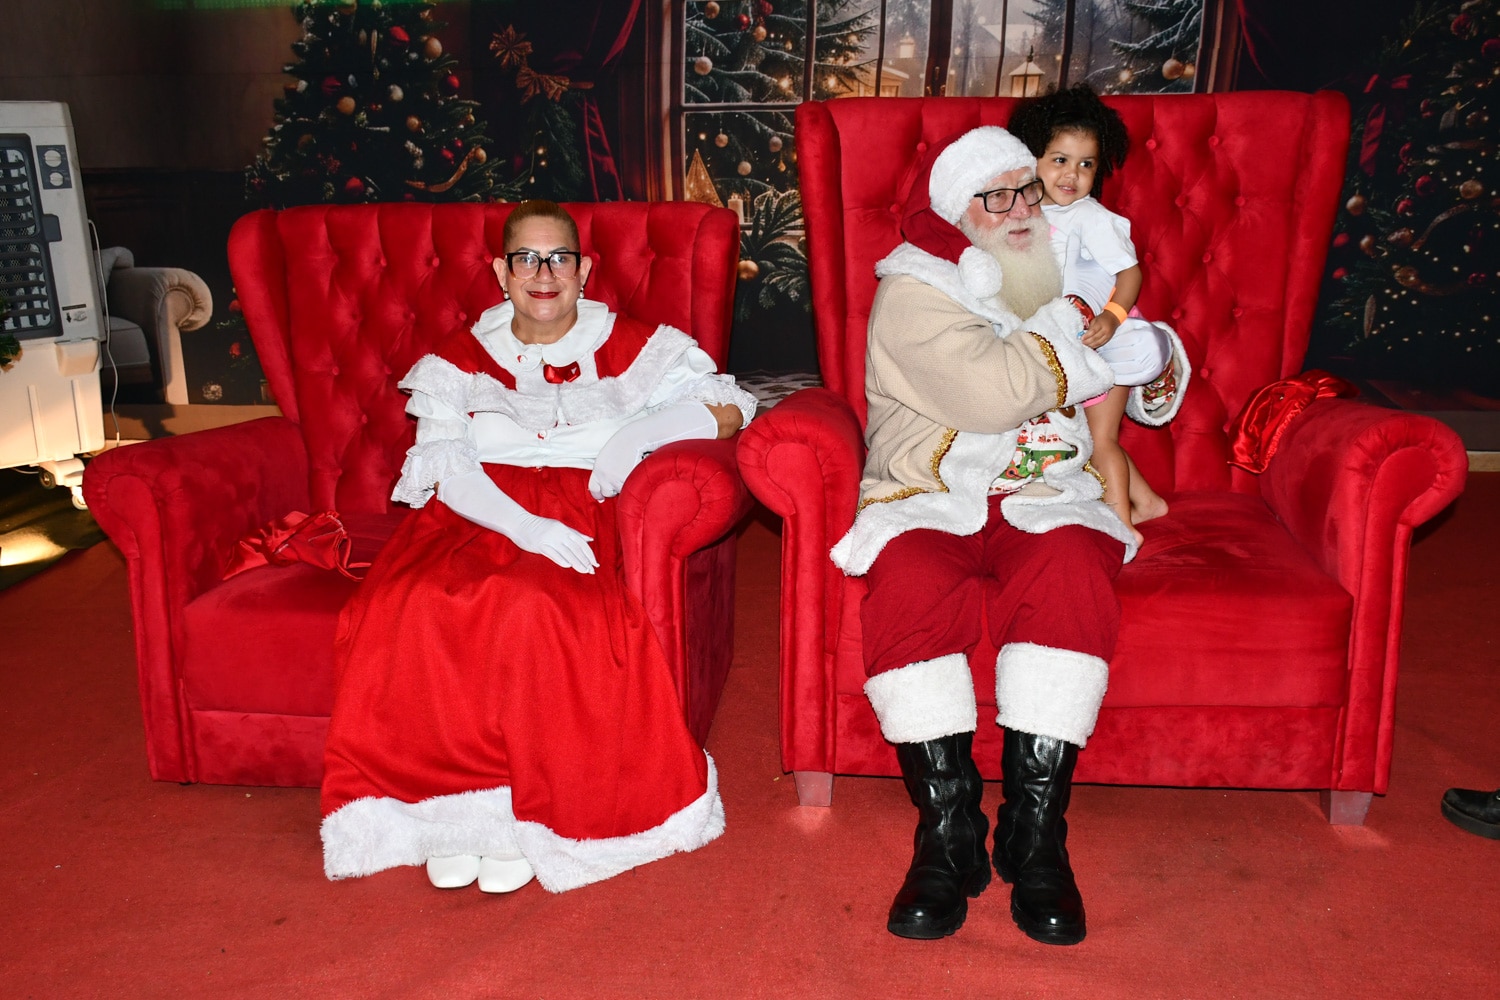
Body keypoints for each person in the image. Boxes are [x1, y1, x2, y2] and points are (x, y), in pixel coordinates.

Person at [319, 200, 757, 894]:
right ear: (502, 272)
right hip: (476, 513)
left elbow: (730, 408)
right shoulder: (459, 357)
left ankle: (526, 818)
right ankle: (456, 816)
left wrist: (632, 439)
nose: (543, 274)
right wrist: (526, 528)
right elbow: (447, 464)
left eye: (559, 258)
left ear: (585, 270)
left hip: (587, 508)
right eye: (526, 258)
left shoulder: (638, 345)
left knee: (538, 608)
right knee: (413, 603)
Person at [829, 126, 1187, 943]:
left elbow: (1134, 366)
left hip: (1045, 492)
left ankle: (1035, 833)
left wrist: (1149, 350)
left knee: (1073, 564)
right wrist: (1075, 324)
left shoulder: (1063, 266)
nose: (1022, 208)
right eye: (996, 197)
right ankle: (947, 834)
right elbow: (993, 394)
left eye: (1027, 189)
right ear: (958, 213)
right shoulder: (913, 288)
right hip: (933, 492)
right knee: (910, 579)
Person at [1009, 84, 1173, 544]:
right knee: (1088, 435)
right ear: (1032, 159)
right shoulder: (1028, 214)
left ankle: (1121, 526)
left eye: (1086, 164)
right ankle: (1148, 503)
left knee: (1101, 441)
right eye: (1060, 160)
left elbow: (1131, 273)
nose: (1073, 174)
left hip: (1109, 342)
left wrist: (1114, 317)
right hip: (1073, 347)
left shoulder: (1091, 217)